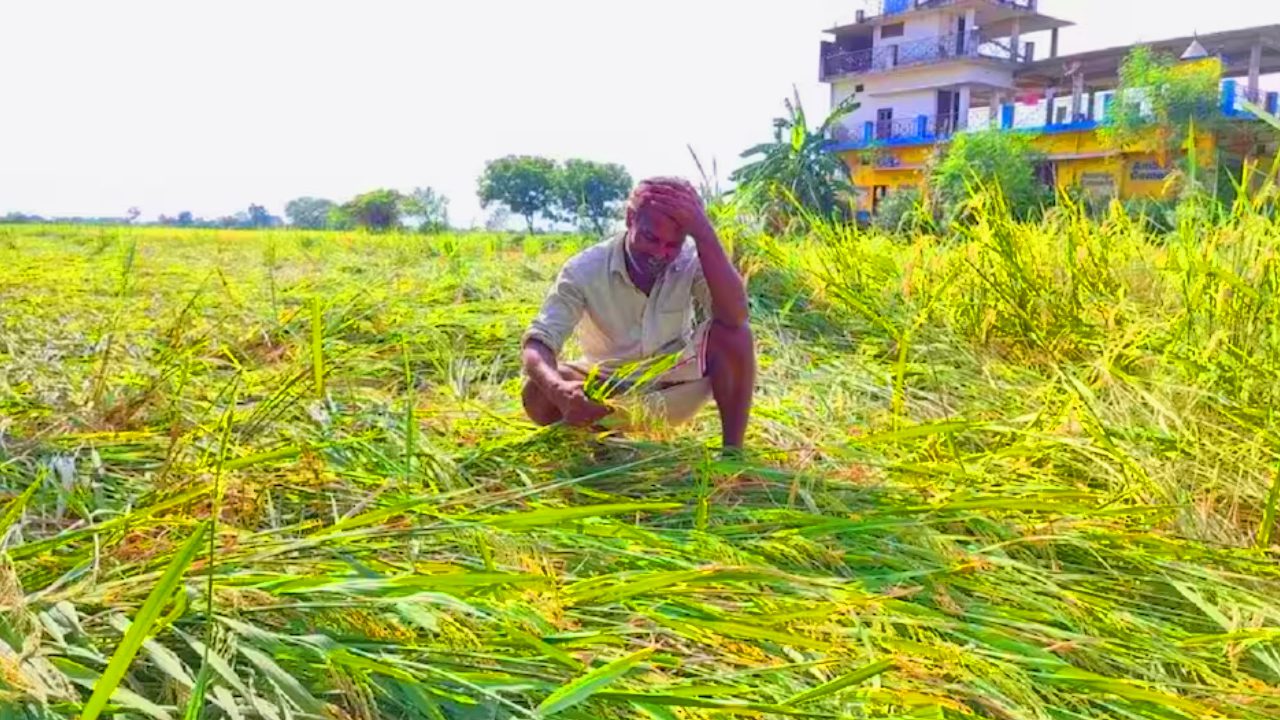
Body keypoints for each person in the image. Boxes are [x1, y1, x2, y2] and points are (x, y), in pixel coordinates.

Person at [520, 177, 755, 450]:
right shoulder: (584, 270)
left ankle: (732, 455)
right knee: (537, 393)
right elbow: (538, 342)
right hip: (606, 390)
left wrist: (704, 233)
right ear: (630, 219)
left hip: (675, 387)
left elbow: (736, 317)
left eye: (672, 244)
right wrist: (557, 389)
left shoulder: (692, 259)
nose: (660, 253)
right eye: (650, 238)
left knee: (735, 336)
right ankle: (604, 442)